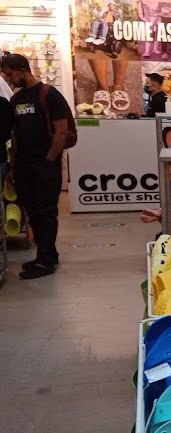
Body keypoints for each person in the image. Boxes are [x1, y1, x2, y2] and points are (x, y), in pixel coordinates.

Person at [1, 54, 74, 279]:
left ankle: (47, 259)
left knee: (45, 213)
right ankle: (44, 255)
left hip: (45, 166)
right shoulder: (16, 100)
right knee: (32, 213)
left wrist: (48, 161)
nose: (9, 79)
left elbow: (61, 132)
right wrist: (13, 166)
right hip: (23, 166)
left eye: (11, 74)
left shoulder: (49, 95)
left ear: (23, 70)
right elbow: (13, 135)